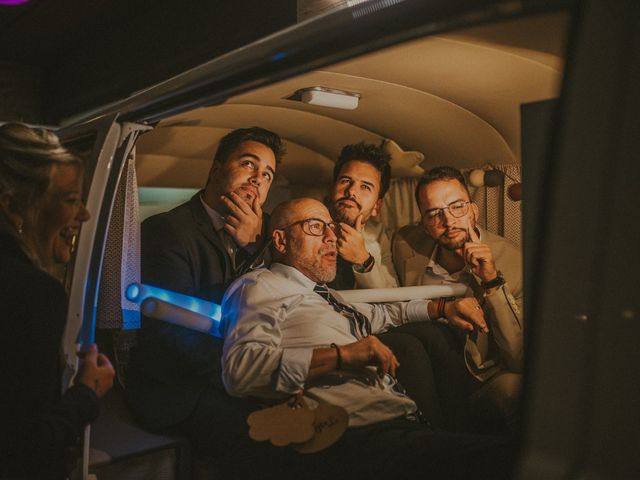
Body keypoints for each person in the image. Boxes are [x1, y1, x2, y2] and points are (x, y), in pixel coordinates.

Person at [221, 197, 514, 480]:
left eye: (331, 228)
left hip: (402, 424)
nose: (330, 238)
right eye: (314, 226)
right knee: (516, 460)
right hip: (353, 437)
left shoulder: (327, 298)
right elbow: (240, 371)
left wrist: (441, 307)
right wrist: (342, 355)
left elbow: (386, 314)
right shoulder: (259, 286)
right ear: (281, 241)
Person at [126, 127, 286, 464]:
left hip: (250, 365)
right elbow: (178, 334)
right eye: (248, 164)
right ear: (215, 169)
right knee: (264, 439)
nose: (257, 178)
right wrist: (253, 381)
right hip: (178, 384)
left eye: (268, 174)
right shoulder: (166, 230)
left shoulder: (271, 234)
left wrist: (256, 247)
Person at [0, 123, 115, 479]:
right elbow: (25, 446)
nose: (84, 214)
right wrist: (86, 393)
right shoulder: (32, 293)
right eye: (70, 199)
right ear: (13, 205)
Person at [392, 166, 523, 432]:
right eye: (434, 214)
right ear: (424, 224)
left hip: (480, 373)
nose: (449, 221)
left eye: (457, 207)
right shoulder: (405, 244)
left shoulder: (513, 260)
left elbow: (519, 357)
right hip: (421, 364)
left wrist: (490, 280)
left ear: (474, 210)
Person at [326, 141, 398, 290]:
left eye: (365, 186)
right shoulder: (304, 225)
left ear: (377, 207)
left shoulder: (380, 237)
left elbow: (392, 297)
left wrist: (362, 259)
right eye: (345, 181)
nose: (351, 191)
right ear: (331, 190)